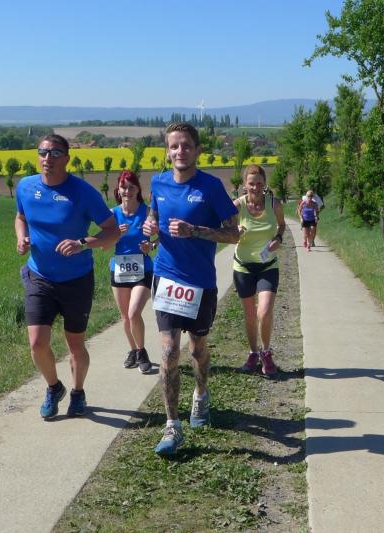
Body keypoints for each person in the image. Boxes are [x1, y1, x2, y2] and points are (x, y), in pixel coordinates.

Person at [142, 122, 239, 455]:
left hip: (199, 282)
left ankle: (200, 394)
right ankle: (172, 425)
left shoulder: (211, 187)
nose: (180, 151)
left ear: (197, 150)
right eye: (174, 146)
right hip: (167, 277)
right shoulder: (158, 182)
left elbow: (234, 234)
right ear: (167, 151)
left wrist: (194, 230)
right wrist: (150, 228)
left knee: (197, 348)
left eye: (186, 145)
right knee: (169, 351)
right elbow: (154, 218)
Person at [15, 134, 120, 419]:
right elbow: (21, 217)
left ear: (67, 159)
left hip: (76, 279)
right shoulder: (26, 187)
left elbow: (112, 230)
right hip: (39, 276)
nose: (47, 158)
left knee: (75, 344)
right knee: (37, 343)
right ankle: (53, 387)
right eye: (43, 152)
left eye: (55, 153)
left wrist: (82, 243)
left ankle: (78, 391)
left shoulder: (83, 192)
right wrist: (21, 237)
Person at [234, 164, 286, 378]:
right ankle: (253, 352)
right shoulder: (237, 206)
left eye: (259, 183)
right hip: (243, 266)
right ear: (244, 185)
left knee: (263, 311)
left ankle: (266, 352)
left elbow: (282, 225)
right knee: (249, 314)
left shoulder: (274, 204)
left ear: (265, 184)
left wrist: (278, 238)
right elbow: (225, 230)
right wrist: (235, 231)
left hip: (267, 265)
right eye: (251, 183)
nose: (255, 187)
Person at [109, 170, 155, 373]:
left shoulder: (147, 212)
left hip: (143, 268)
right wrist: (114, 236)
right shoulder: (112, 214)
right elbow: (104, 245)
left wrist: (151, 245)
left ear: (138, 190)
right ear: (118, 190)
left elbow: (162, 236)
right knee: (125, 317)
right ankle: (133, 351)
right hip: (119, 269)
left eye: (131, 187)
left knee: (134, 312)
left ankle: (142, 352)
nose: (127, 191)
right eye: (123, 187)